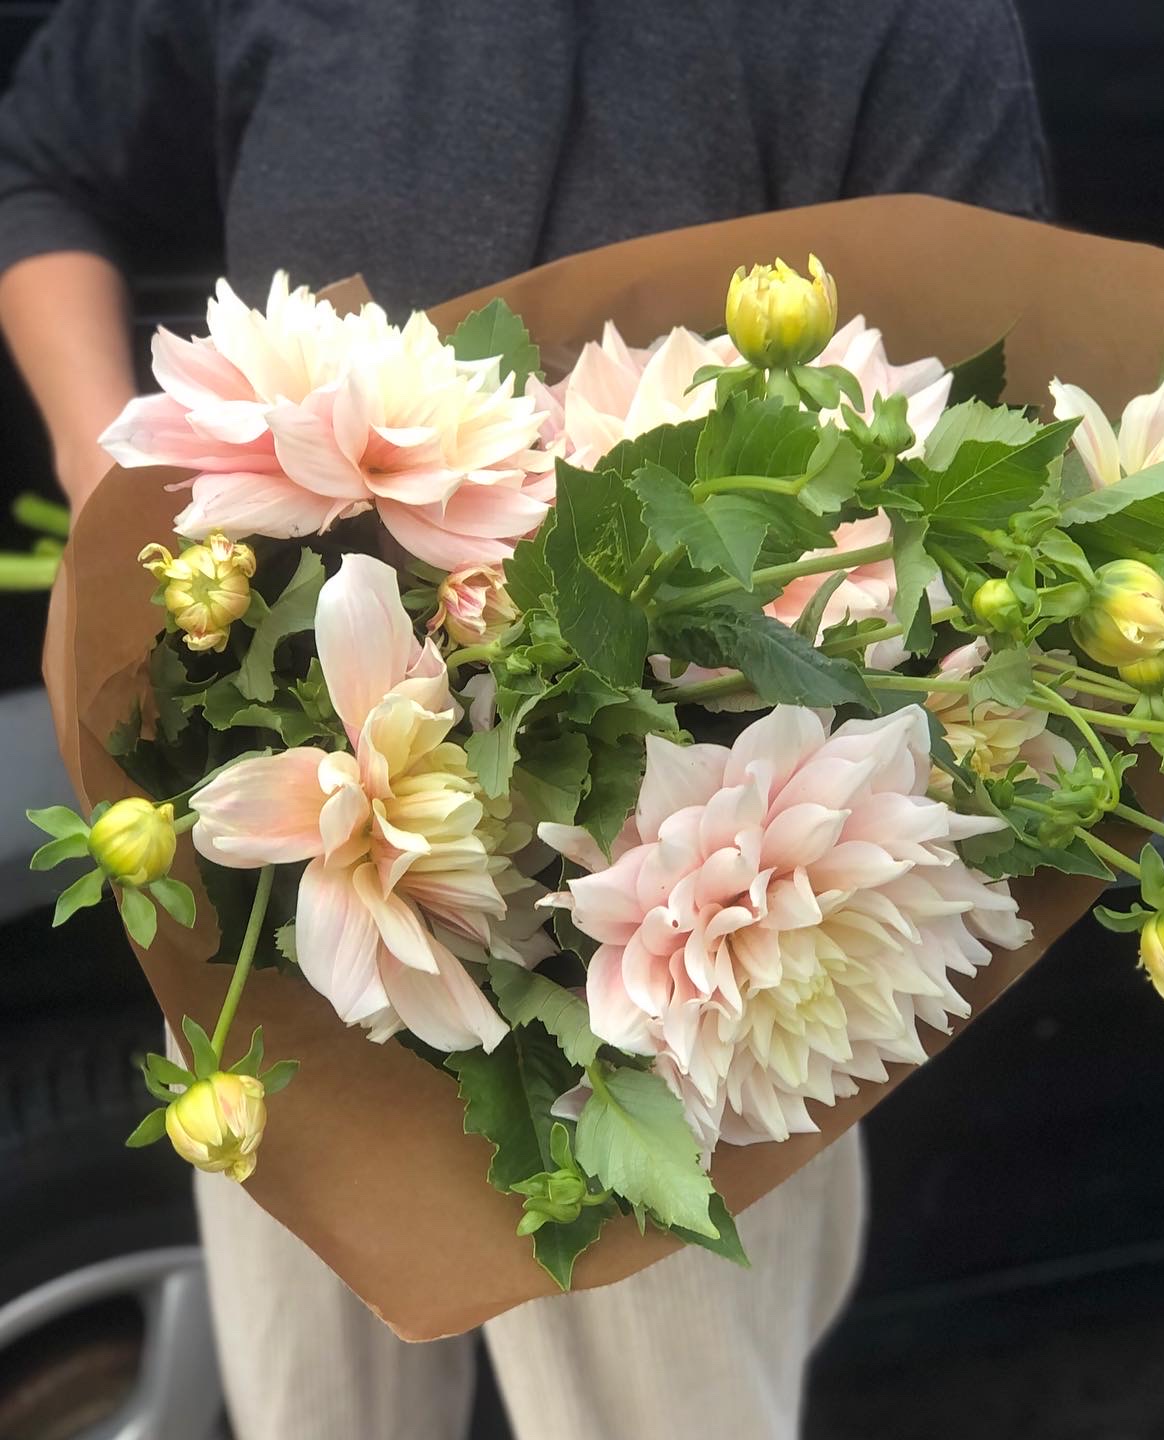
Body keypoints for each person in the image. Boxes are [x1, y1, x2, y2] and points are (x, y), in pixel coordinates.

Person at [0, 3, 1049, 1437]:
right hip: (291, 861)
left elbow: (983, 412)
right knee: (315, 1410)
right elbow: (43, 159)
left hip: (720, 927)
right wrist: (110, 474)